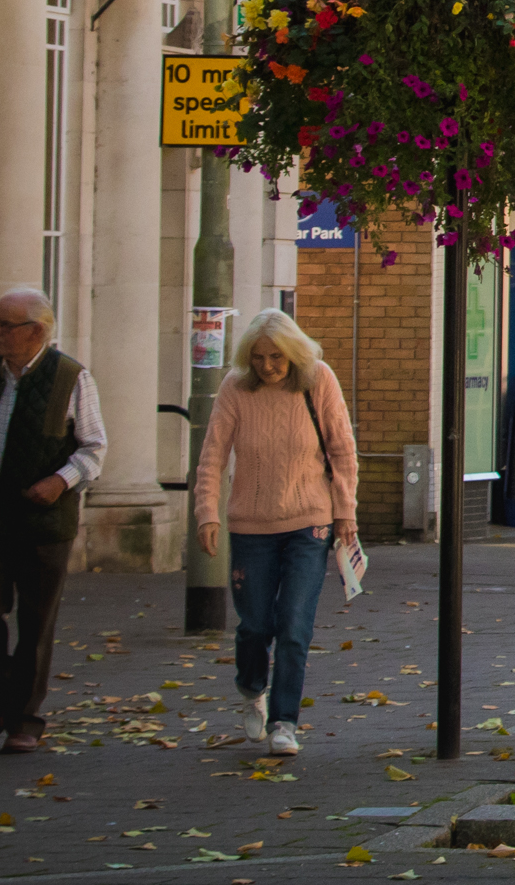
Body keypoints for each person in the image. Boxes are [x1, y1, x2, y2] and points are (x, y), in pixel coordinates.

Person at [191, 310, 358, 757]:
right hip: (251, 526)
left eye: (277, 357)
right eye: (259, 357)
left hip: (310, 522)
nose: (267, 366)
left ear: (294, 353)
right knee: (254, 625)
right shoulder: (235, 388)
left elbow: (342, 449)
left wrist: (346, 513)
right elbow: (212, 455)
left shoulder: (318, 380)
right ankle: (251, 690)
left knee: (293, 624)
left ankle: (285, 721)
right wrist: (207, 513)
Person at [0, 285, 107, 754]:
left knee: (36, 624)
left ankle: (26, 718)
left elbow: (93, 448)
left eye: (6, 325)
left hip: (45, 524)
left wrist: (60, 481)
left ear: (36, 331)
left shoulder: (71, 378)